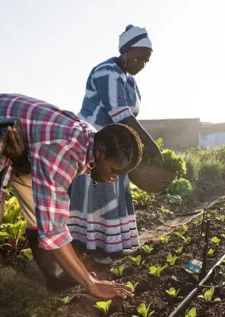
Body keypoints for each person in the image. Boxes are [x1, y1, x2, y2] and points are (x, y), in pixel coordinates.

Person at [0, 93, 139, 317]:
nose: (114, 178)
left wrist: (21, 161)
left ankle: (55, 276)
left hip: (22, 142)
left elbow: (48, 210)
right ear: (99, 153)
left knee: (37, 204)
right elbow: (55, 229)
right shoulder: (62, 151)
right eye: (114, 170)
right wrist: (91, 283)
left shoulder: (91, 141)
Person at [68, 25, 162, 265]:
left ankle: (113, 245)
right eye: (139, 57)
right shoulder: (106, 72)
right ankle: (94, 248)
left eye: (146, 60)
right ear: (126, 51)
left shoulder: (128, 79)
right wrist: (148, 143)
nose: (142, 63)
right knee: (99, 190)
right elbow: (120, 112)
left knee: (113, 190)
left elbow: (129, 114)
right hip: (94, 140)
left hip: (116, 142)